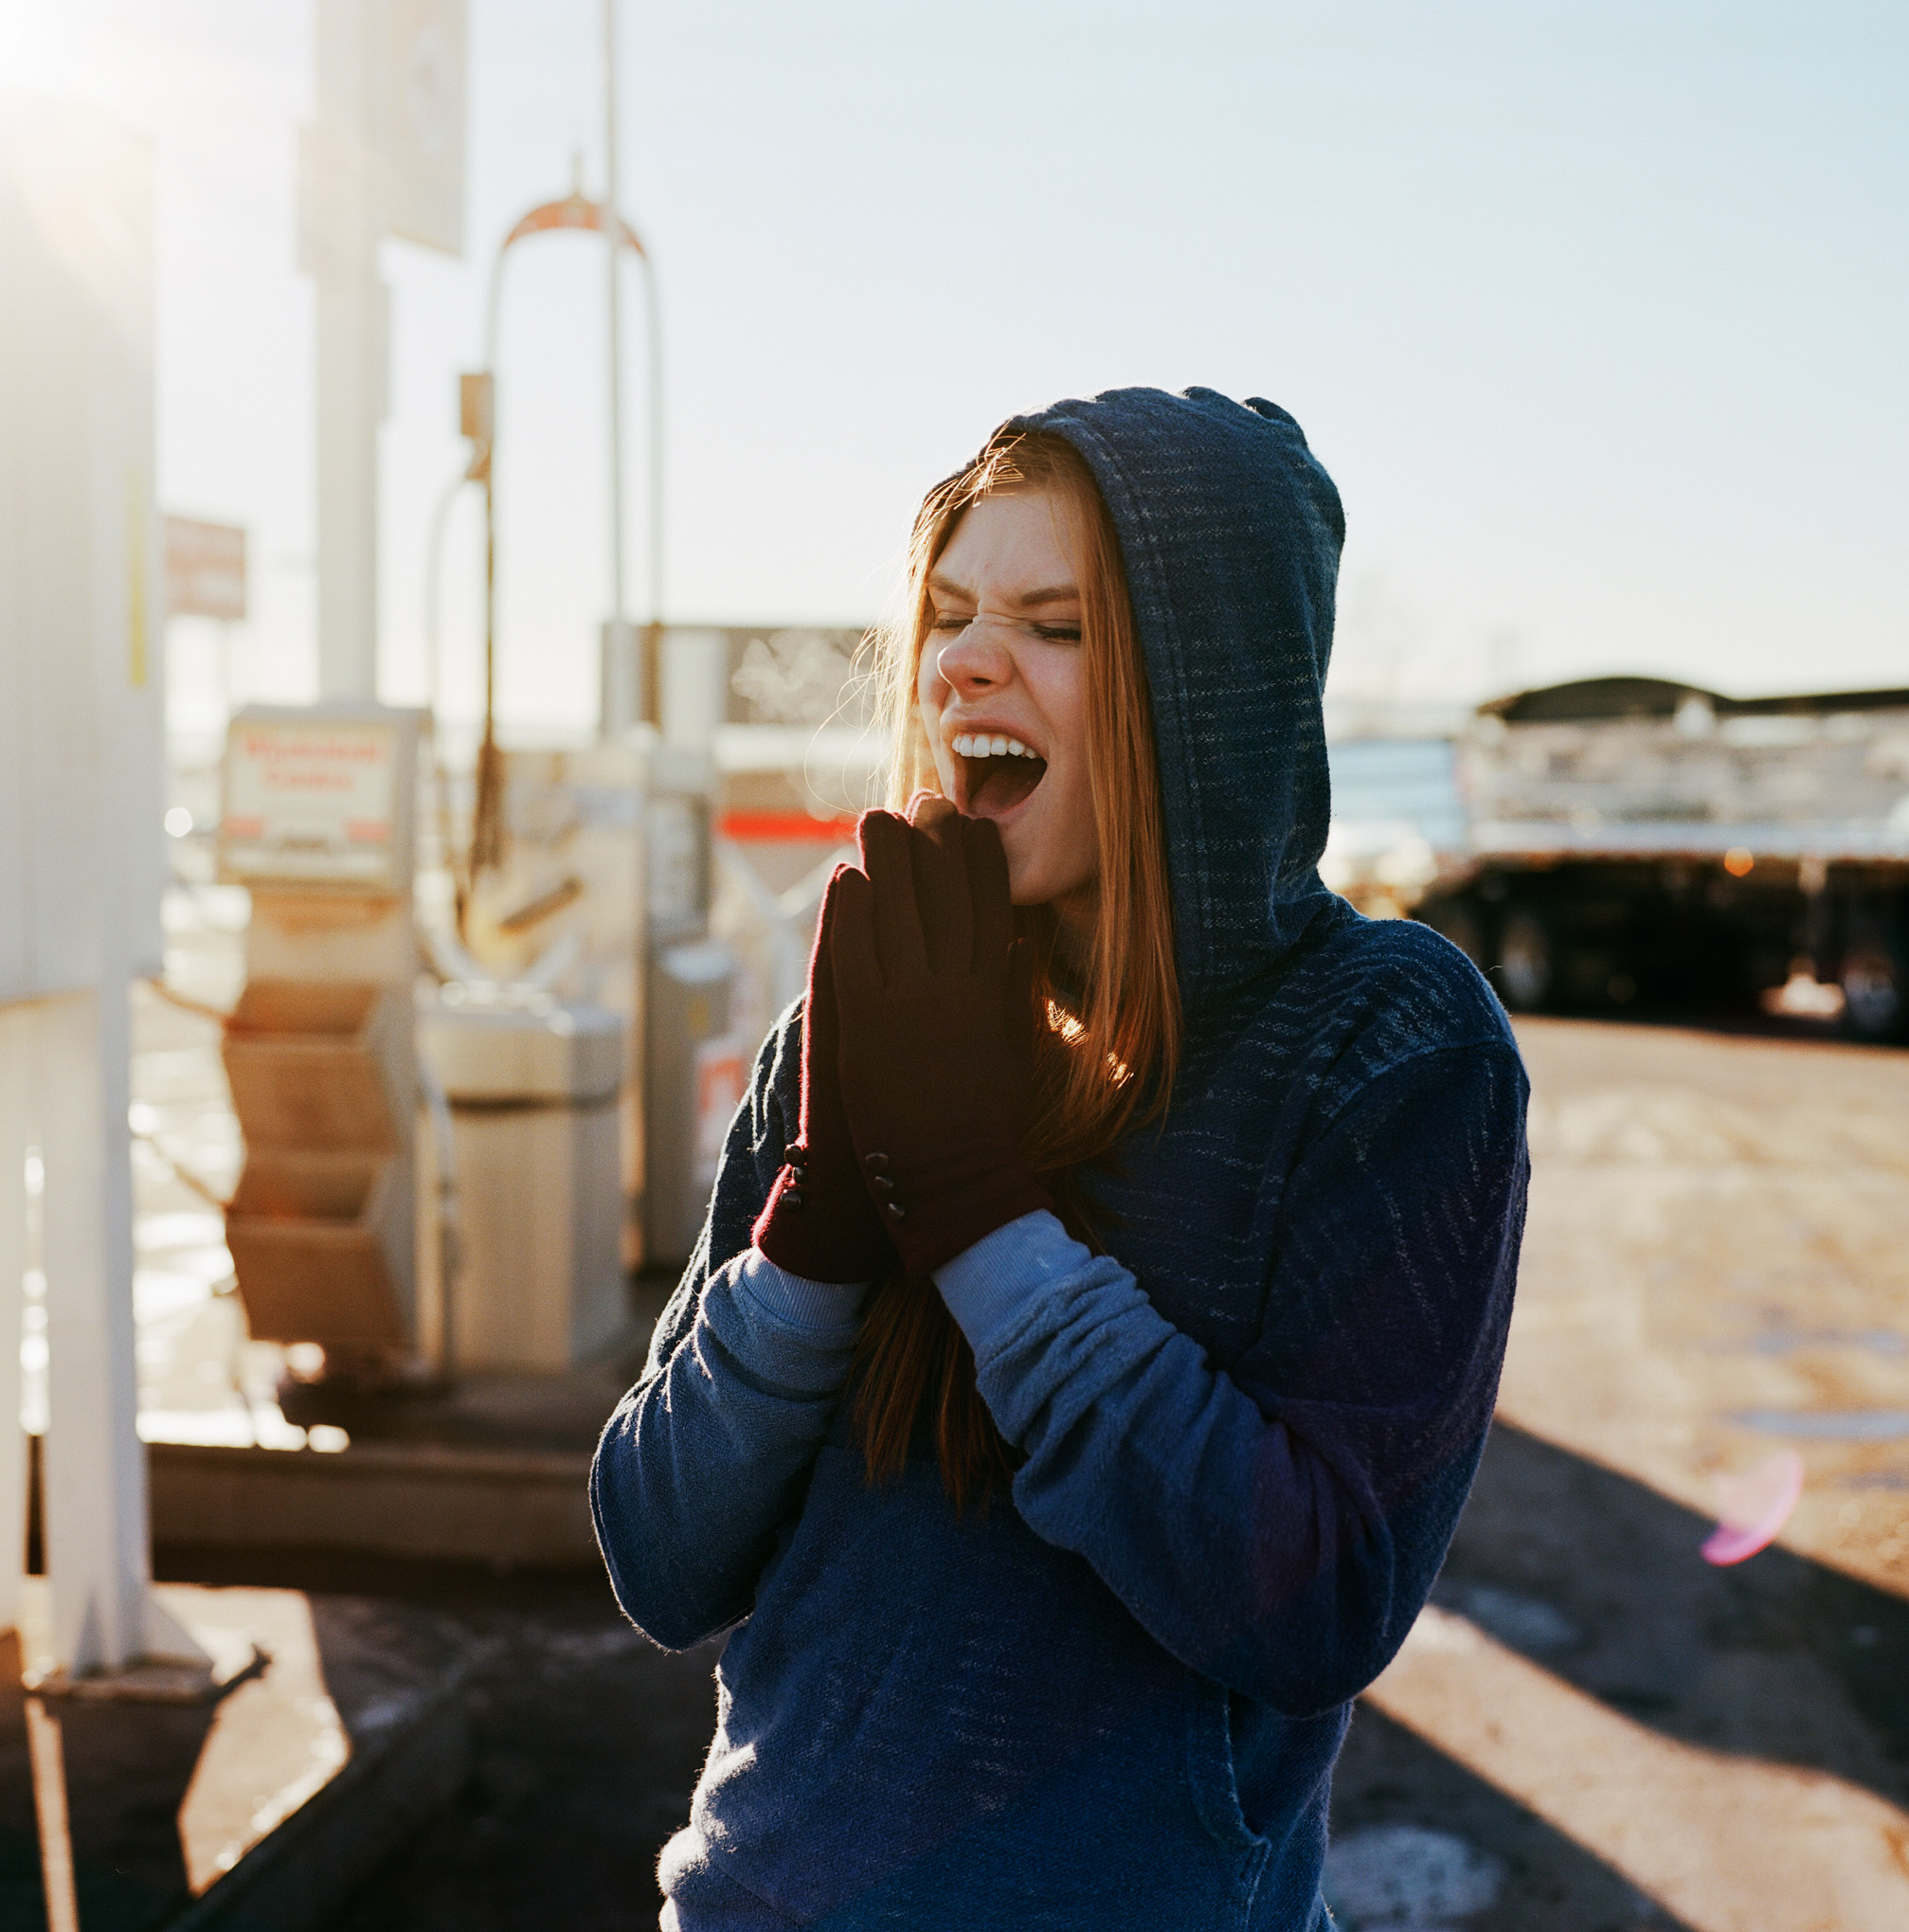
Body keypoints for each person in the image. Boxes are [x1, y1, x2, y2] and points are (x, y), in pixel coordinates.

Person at [593, 387, 1531, 1930]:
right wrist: (826, 1216)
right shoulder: (872, 1009)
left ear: (1207, 685)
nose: (965, 660)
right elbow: (661, 1551)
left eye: (1055, 622)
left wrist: (975, 1211)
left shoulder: (1390, 1045)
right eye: (951, 614)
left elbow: (1316, 1597)